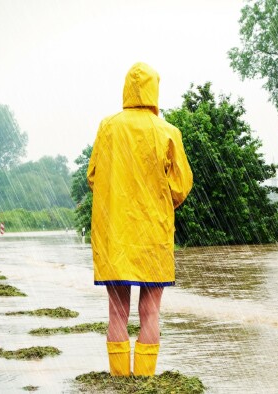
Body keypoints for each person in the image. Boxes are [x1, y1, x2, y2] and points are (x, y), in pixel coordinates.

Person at [87, 62, 193, 377]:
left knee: (117, 313)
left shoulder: (108, 127)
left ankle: (119, 382)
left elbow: (93, 176)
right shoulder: (168, 132)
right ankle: (145, 381)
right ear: (154, 91)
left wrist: (117, 192)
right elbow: (182, 185)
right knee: (150, 312)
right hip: (153, 235)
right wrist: (161, 199)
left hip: (115, 234)